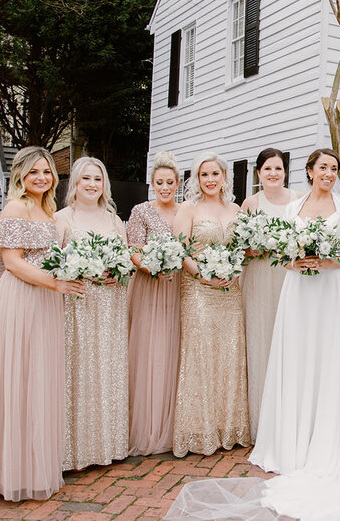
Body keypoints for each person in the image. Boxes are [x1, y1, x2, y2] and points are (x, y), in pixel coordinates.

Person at [167, 149, 340, 520]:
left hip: (329, 296)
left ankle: (328, 440)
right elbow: (279, 253)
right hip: (298, 294)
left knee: (328, 362)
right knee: (296, 361)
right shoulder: (292, 208)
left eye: (334, 168)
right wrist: (295, 259)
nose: (329, 174)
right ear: (310, 172)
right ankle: (293, 442)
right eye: (323, 168)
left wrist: (326, 261)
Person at [0, 146, 86, 501]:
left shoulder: (48, 210)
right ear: (20, 174)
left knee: (38, 380)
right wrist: (57, 283)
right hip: (20, 299)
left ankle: (33, 465)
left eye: (47, 172)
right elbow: (12, 263)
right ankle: (9, 471)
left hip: (46, 300)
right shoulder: (16, 207)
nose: (41, 178)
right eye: (34, 172)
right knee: (17, 378)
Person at [171, 151, 251, 457]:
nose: (210, 180)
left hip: (231, 293)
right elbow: (180, 250)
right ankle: (198, 430)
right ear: (197, 178)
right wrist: (203, 276)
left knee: (229, 355)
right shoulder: (187, 209)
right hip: (198, 291)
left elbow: (242, 249)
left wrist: (234, 271)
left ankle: (228, 428)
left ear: (224, 177)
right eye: (204, 175)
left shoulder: (235, 209)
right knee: (201, 356)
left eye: (215, 174)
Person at [56, 157, 130, 471]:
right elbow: (53, 265)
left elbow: (127, 263)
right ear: (75, 182)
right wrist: (81, 273)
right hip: (78, 306)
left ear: (104, 185)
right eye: (85, 178)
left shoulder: (114, 221)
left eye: (97, 179)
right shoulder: (62, 219)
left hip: (110, 306)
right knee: (79, 371)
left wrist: (119, 273)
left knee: (107, 371)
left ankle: (107, 444)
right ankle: (73, 449)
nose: (91, 185)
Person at [240, 148, 299, 442]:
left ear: (285, 171)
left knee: (289, 340)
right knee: (262, 340)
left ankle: (290, 416)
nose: (273, 173)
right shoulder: (250, 204)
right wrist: (255, 247)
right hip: (259, 278)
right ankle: (263, 421)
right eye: (268, 169)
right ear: (259, 173)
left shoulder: (299, 200)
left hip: (289, 277)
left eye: (278, 168)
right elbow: (240, 247)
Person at [126, 151, 182, 456]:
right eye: (159, 182)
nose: (164, 187)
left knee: (174, 347)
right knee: (150, 349)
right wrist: (151, 267)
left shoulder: (185, 210)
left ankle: (173, 424)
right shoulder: (141, 212)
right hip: (150, 286)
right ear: (152, 183)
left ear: (178, 183)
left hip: (178, 288)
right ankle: (147, 425)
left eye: (169, 182)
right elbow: (134, 249)